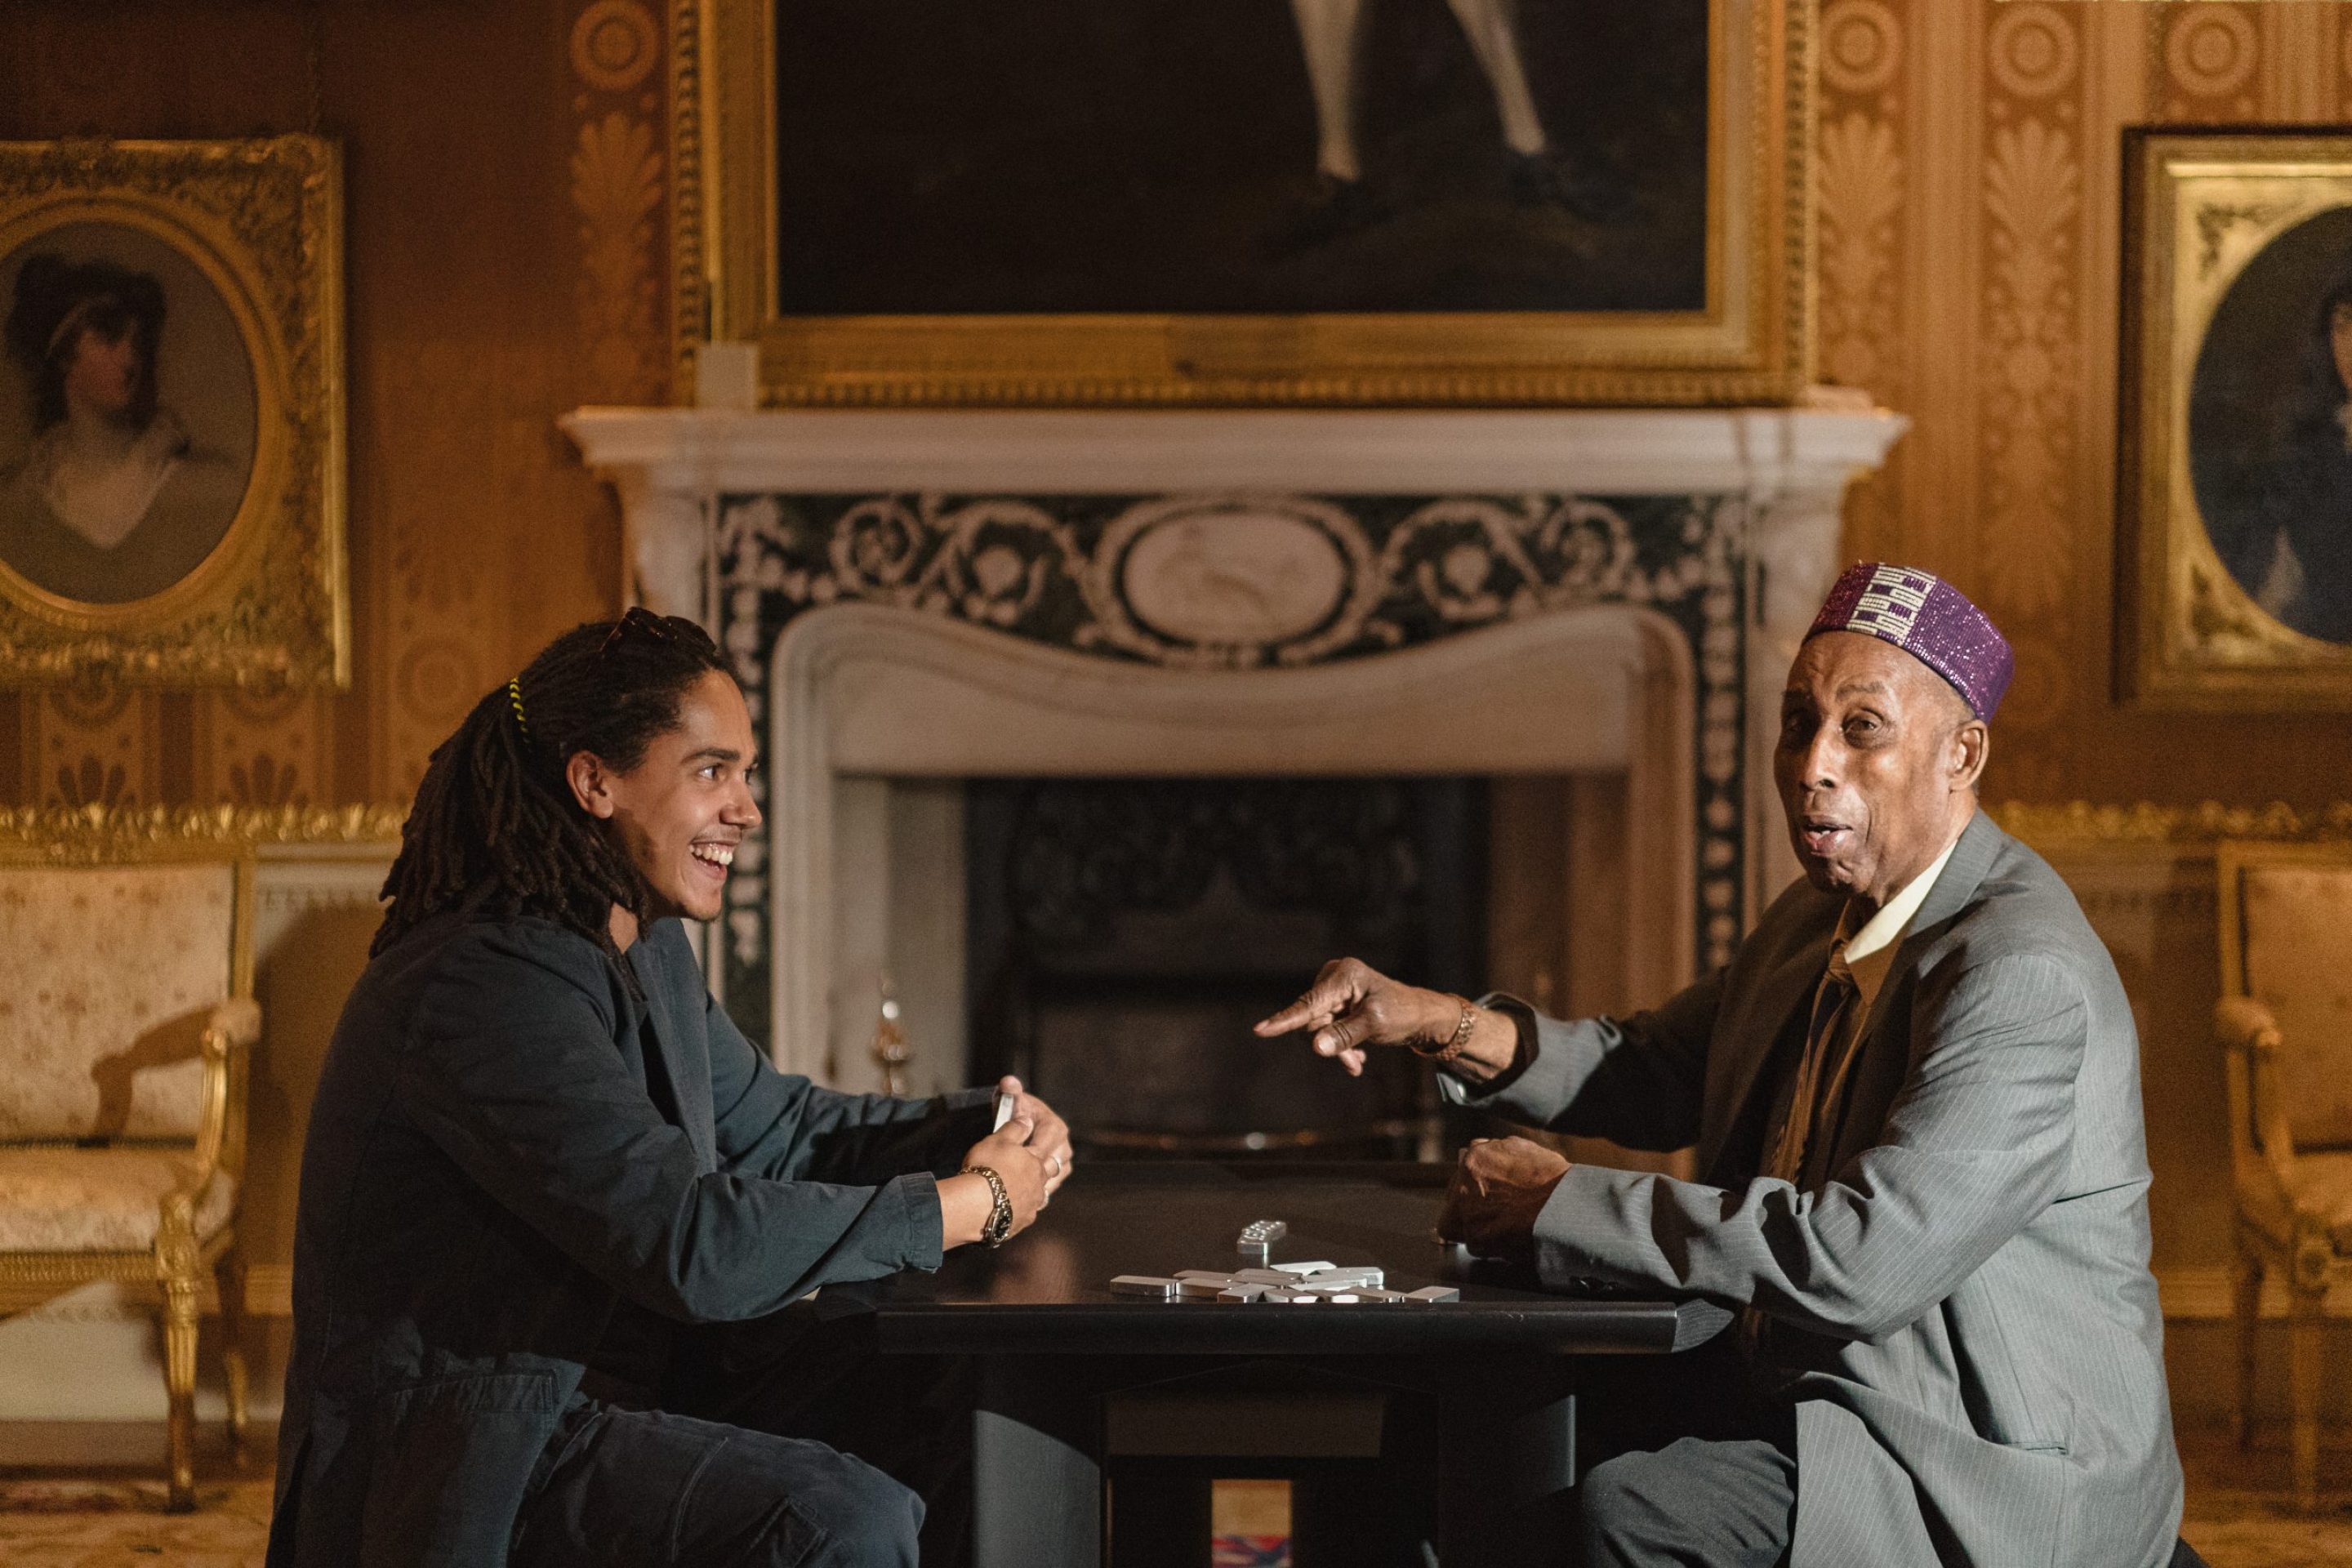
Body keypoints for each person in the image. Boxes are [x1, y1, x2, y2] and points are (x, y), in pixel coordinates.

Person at [1258, 562, 2185, 1567]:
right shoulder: (1814, 918)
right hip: (1805, 1374)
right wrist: (1437, 1021)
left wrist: (1557, 1206)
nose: (1811, 765)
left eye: (1860, 729)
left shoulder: (2019, 972)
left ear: (1961, 754)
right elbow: (1655, 1070)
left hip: (1972, 1447)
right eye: (1798, 723)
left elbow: (1863, 1259)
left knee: (1639, 1514)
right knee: (1449, 1409)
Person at [266, 608, 1074, 1568]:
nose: (748, 809)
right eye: (711, 772)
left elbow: (779, 1130)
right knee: (835, 1518)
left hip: (623, 1388)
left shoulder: (642, 946)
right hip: (475, 1445)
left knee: (970, 1386)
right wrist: (969, 1203)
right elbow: (691, 1242)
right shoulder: (479, 985)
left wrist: (986, 1121)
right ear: (595, 781)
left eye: (747, 773)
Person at [0, 252, 247, 603]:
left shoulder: (206, 483)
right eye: (110, 336)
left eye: (138, 341)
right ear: (63, 354)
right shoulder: (16, 497)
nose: (131, 358)